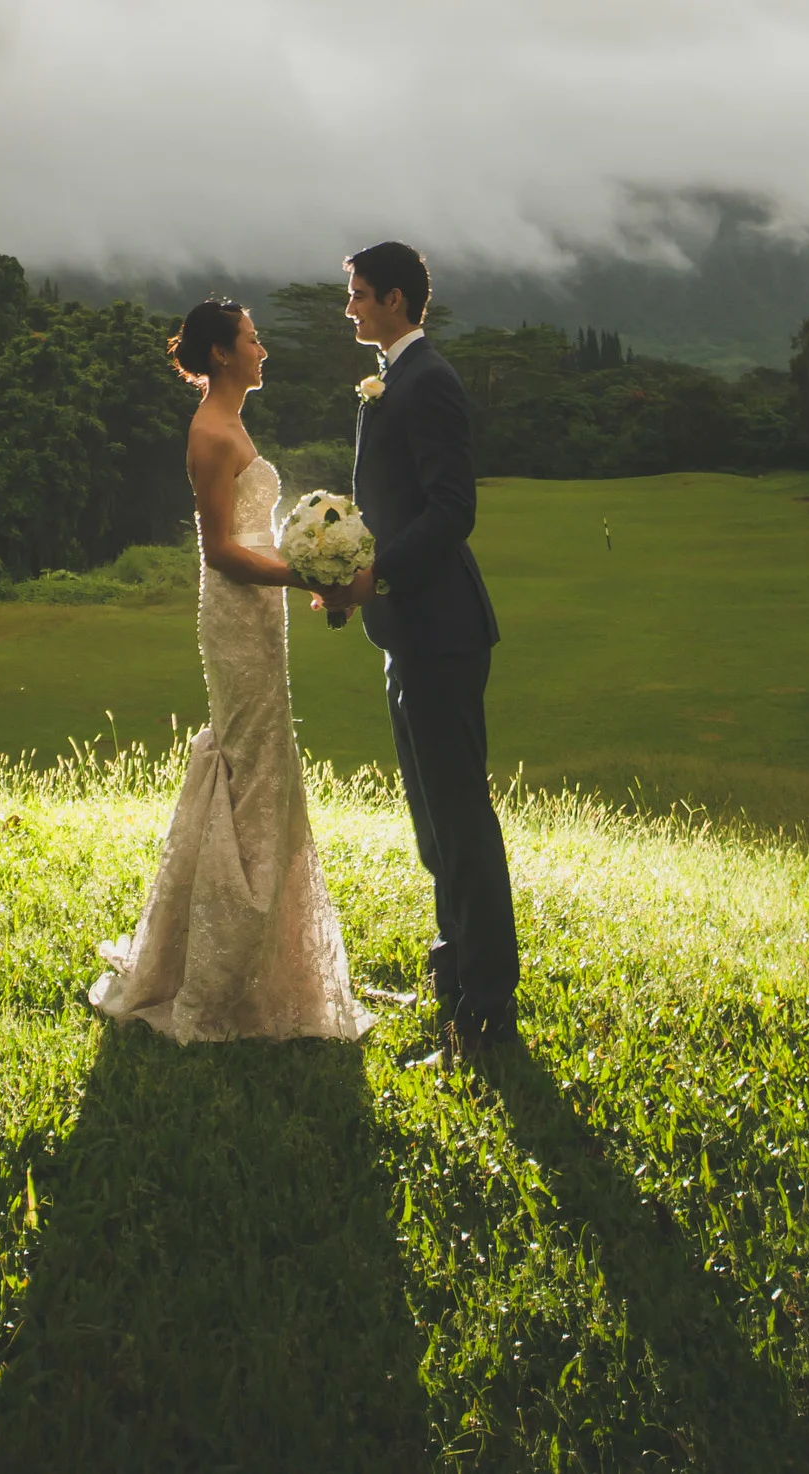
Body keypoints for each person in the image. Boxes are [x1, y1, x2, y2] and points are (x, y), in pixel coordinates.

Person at [88, 297, 370, 1042]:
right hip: (238, 612)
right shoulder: (212, 432)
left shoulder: (233, 421)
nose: (262, 350)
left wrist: (303, 560)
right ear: (221, 354)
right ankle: (219, 972)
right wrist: (307, 574)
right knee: (249, 763)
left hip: (258, 612)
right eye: (251, 339)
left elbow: (249, 535)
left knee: (262, 760)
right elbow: (219, 549)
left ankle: (263, 953)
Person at [320, 241, 521, 1055]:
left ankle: (487, 1013)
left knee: (462, 822)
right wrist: (345, 561)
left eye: (361, 294)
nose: (351, 308)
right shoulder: (392, 380)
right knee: (434, 823)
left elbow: (451, 508)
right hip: (408, 635)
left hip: (441, 631)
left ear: (397, 300)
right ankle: (453, 979)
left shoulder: (428, 380)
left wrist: (380, 576)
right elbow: (391, 503)